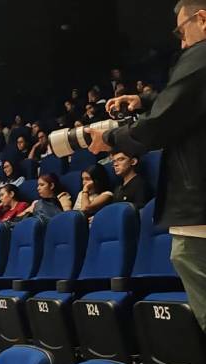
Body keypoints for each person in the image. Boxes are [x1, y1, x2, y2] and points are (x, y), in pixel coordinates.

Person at [83, 0, 206, 332]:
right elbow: (186, 103)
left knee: (188, 257)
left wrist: (110, 139)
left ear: (203, 19)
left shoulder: (200, 54)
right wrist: (146, 100)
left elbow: (161, 124)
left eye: (181, 31)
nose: (182, 42)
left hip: (199, 207)